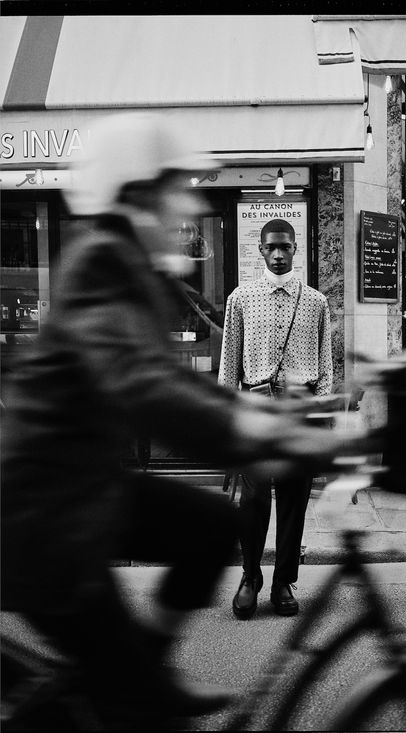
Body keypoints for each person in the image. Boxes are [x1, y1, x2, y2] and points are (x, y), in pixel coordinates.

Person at [1, 114, 350, 728]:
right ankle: (129, 692)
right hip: (44, 515)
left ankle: (141, 673)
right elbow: (145, 387)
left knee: (211, 521)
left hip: (83, 485)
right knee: (122, 695)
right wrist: (251, 429)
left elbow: (173, 381)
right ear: (136, 193)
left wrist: (268, 422)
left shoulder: (131, 265)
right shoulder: (103, 263)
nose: (185, 202)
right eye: (173, 188)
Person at [218, 219, 333, 620]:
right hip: (255, 410)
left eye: (286, 247)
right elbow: (229, 364)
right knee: (251, 501)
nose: (279, 254)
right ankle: (250, 576)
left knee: (293, 499)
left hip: (299, 412)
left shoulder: (316, 301)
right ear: (261, 251)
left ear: (296, 249)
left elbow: (325, 368)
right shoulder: (241, 298)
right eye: (272, 247)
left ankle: (284, 579)